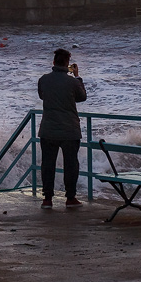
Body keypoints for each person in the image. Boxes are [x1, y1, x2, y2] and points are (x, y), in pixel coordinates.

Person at [37, 48, 87, 208]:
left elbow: (42, 95)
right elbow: (82, 97)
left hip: (48, 129)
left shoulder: (43, 80)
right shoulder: (73, 82)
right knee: (71, 165)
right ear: (67, 64)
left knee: (47, 165)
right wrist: (77, 76)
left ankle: (47, 199)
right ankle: (70, 198)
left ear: (53, 62)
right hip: (69, 130)